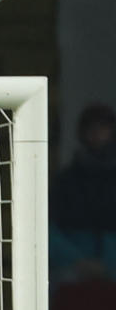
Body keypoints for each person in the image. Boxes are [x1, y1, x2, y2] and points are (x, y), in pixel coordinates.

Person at [52, 103, 116, 283]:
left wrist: (108, 263)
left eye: (103, 127)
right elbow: (49, 229)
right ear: (82, 132)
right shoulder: (66, 179)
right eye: (91, 127)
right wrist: (78, 261)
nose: (97, 133)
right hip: (71, 267)